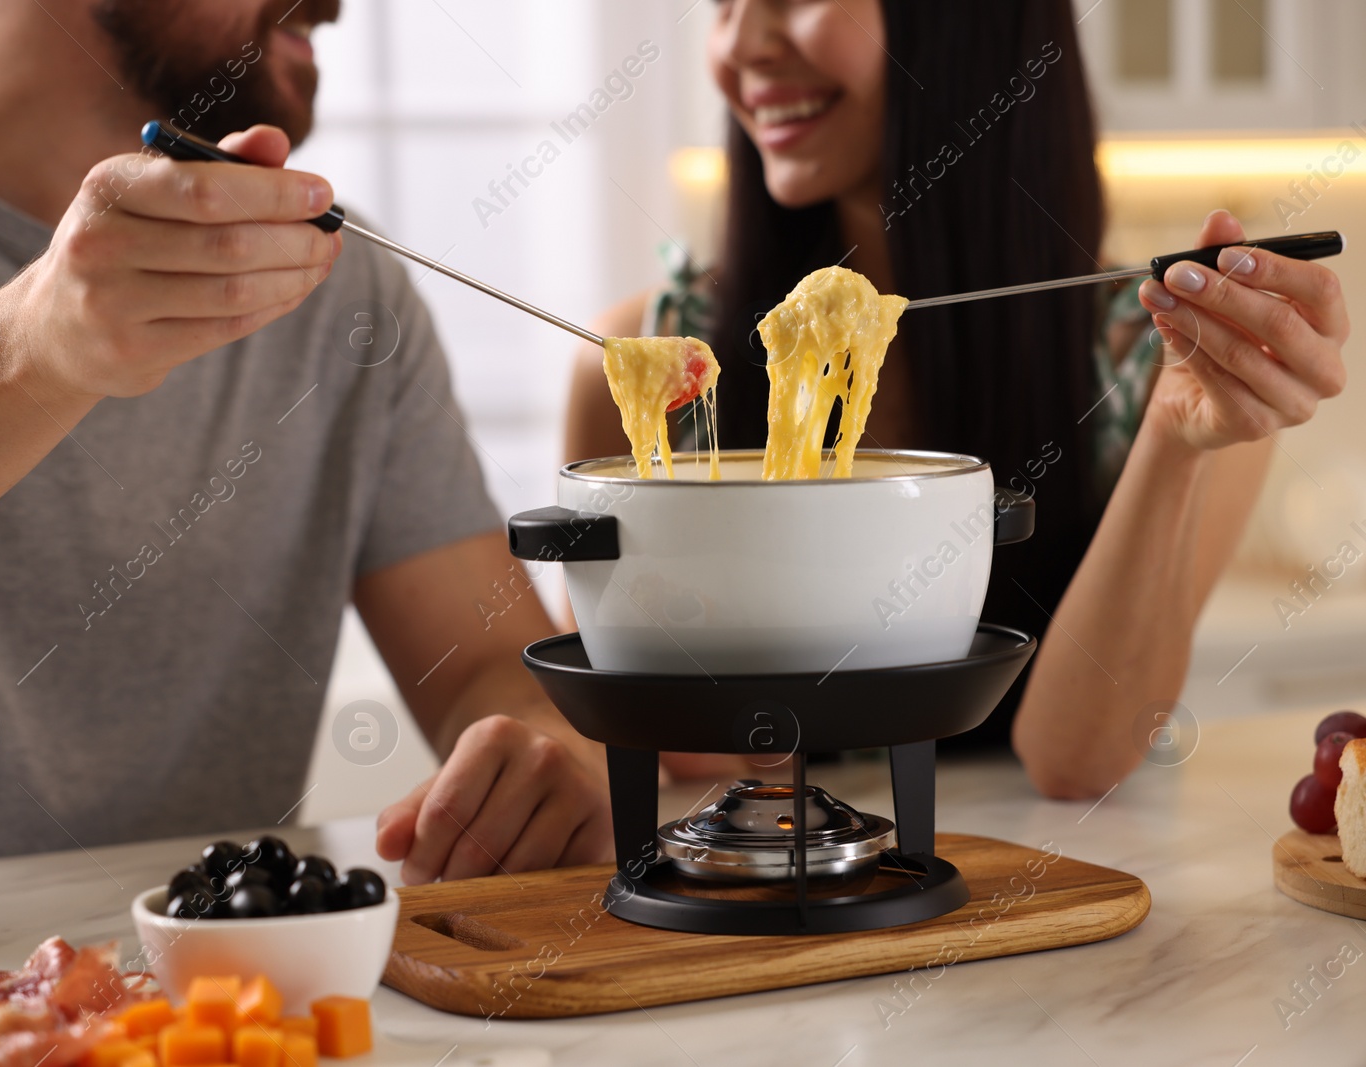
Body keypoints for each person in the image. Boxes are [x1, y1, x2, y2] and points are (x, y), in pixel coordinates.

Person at [0, 0, 613, 885]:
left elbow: (488, 667)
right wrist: (32, 350)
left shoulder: (341, 285)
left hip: (224, 1013)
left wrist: (548, 748)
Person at [566, 0, 1348, 798]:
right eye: (724, 3)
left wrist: (1174, 437)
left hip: (1045, 886)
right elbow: (614, 739)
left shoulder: (1168, 369)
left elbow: (1076, 759)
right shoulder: (654, 365)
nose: (742, 44)